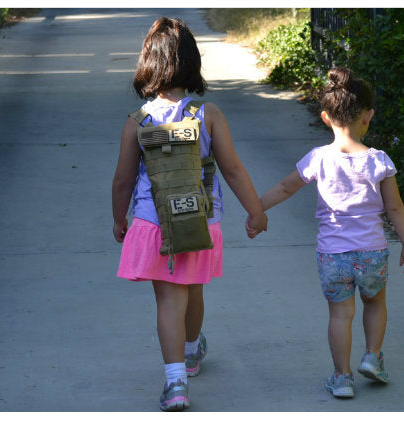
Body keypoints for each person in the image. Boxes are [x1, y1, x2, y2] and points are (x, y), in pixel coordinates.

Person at [111, 17, 267, 411]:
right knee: (193, 287)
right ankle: (194, 348)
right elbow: (232, 169)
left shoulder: (138, 122)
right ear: (192, 63)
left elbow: (122, 181)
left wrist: (119, 219)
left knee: (168, 301)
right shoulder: (207, 113)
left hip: (153, 224)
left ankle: (176, 384)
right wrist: (256, 211)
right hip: (201, 219)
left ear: (148, 64)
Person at [251, 67, 404, 399]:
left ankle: (342, 377)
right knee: (375, 302)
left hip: (333, 255)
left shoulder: (319, 158)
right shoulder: (379, 161)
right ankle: (372, 357)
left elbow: (285, 188)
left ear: (326, 118)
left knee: (341, 314)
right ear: (368, 116)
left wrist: (257, 210)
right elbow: (395, 208)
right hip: (371, 252)